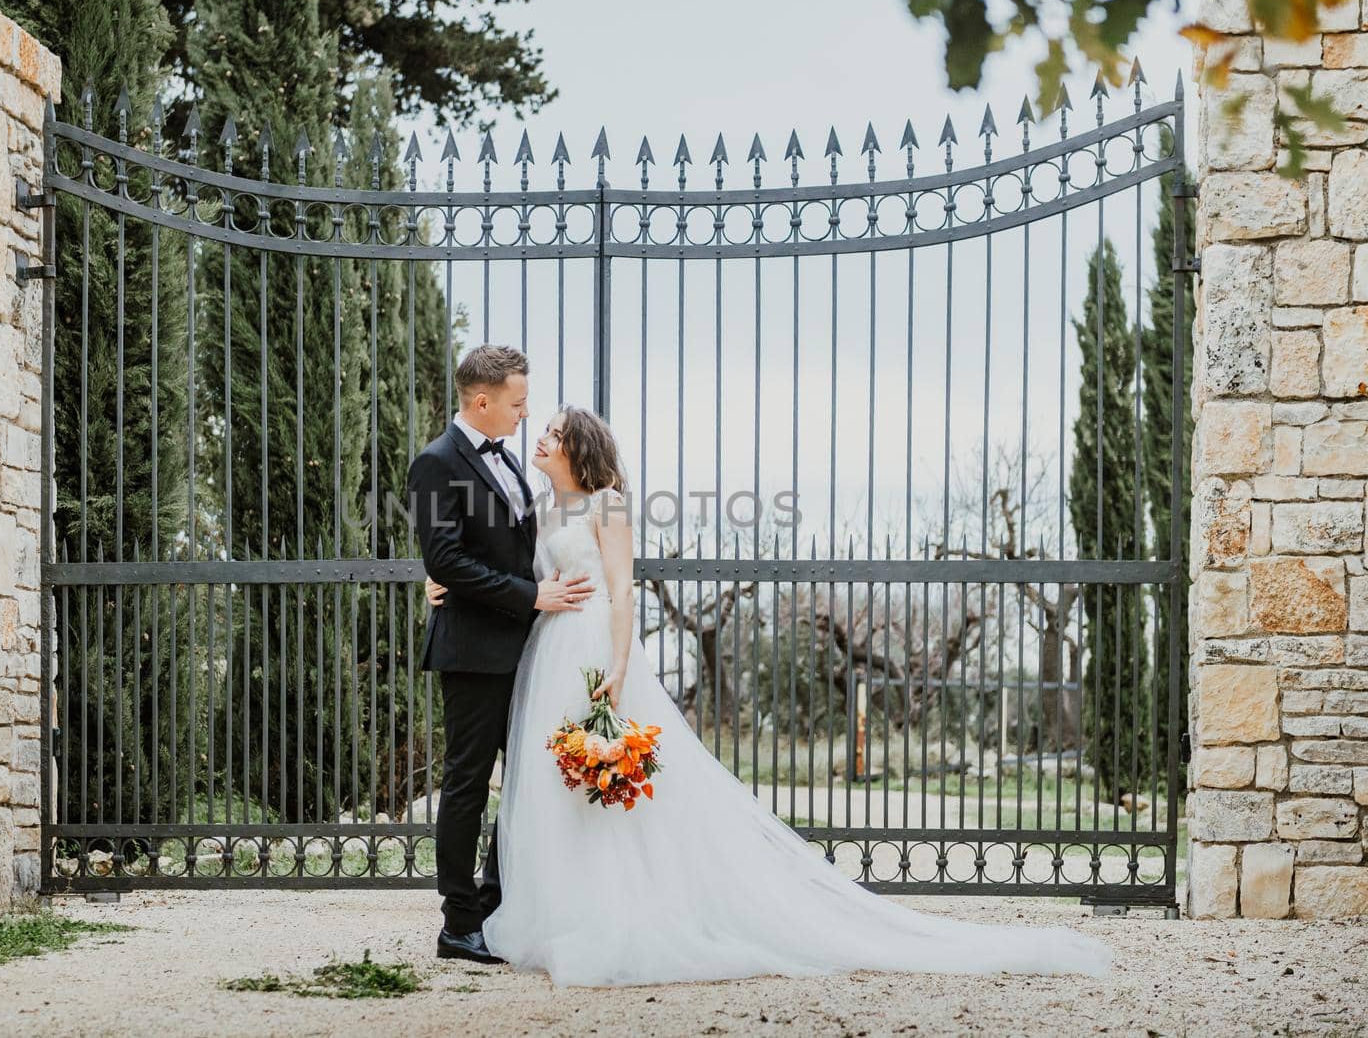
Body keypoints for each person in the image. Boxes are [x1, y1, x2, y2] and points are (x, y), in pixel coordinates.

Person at [424, 403, 1115, 987]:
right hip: (546, 654)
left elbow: (622, 591)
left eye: (550, 433)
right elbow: (501, 564)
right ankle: (550, 906)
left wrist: (618, 664)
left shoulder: (609, 504)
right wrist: (446, 583)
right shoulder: (545, 504)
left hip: (594, 655)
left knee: (608, 787)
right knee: (554, 786)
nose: (537, 437)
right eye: (536, 427)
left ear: (576, 448)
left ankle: (618, 910)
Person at [407, 344, 596, 965]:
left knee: (524, 783)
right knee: (467, 785)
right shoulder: (435, 464)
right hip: (472, 650)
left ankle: (496, 903)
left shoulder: (512, 461)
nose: (524, 414)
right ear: (482, 401)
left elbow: (511, 549)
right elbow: (446, 559)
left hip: (527, 651)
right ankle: (458, 924)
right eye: (517, 403)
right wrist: (530, 594)